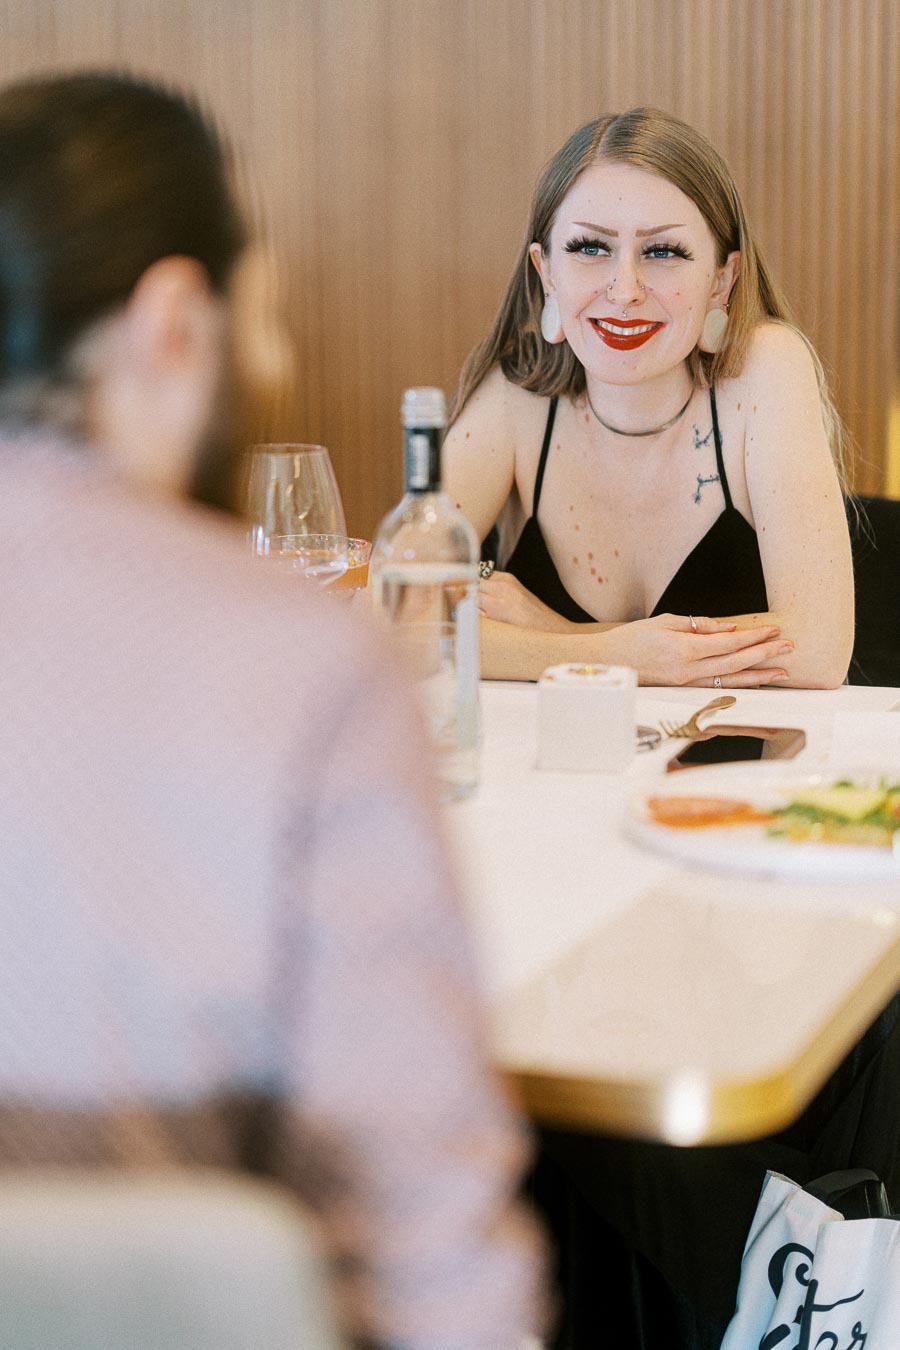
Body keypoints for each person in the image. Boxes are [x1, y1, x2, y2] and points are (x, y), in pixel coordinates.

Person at [0, 71, 545, 1348]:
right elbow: (420, 1218)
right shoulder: (307, 666)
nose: (276, 360)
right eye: (266, 317)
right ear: (174, 322)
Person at [443, 107, 854, 688]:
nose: (625, 291)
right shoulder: (517, 394)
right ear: (546, 272)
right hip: (564, 750)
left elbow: (817, 650)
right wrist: (620, 654)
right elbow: (387, 620)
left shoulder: (766, 368)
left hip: (748, 749)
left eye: (663, 252)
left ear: (722, 279)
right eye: (590, 247)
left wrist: (563, 637)